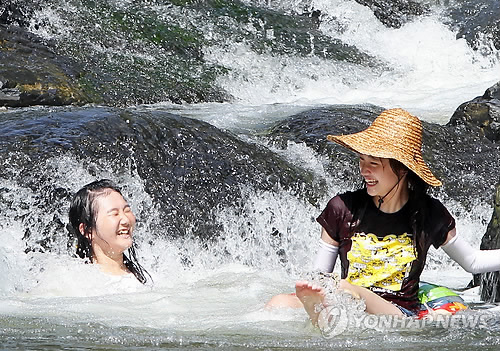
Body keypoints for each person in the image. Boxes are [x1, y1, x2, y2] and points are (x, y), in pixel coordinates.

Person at [267, 108, 500, 326]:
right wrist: (318, 290)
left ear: (402, 168)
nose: (363, 170)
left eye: (374, 164)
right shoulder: (342, 208)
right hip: (342, 298)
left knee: (348, 290)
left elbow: (473, 262)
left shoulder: (429, 214)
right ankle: (322, 314)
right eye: (361, 160)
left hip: (396, 312)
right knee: (278, 302)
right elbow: (320, 276)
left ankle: (322, 317)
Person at [68, 179, 150, 284]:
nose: (125, 220)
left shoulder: (151, 275)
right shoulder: (75, 283)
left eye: (127, 211)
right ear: (87, 230)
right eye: (114, 214)